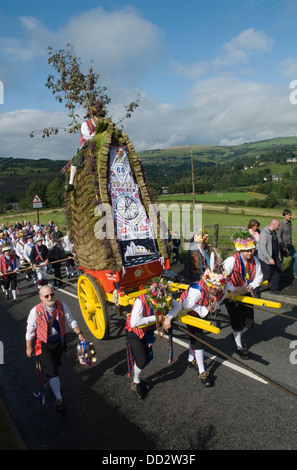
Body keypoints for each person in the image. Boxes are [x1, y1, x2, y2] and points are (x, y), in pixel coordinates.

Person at [25, 285, 85, 410]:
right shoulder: (35, 311)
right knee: (51, 369)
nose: (50, 297)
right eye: (46, 296)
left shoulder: (62, 305)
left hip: (58, 342)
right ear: (41, 298)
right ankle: (59, 398)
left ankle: (55, 383)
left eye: (52, 294)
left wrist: (79, 334)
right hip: (44, 345)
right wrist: (29, 347)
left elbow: (71, 321)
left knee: (55, 366)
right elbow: (30, 331)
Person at [125, 278, 182, 399]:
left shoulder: (164, 295)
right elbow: (135, 323)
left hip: (147, 330)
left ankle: (138, 373)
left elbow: (178, 305)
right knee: (142, 360)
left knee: (147, 358)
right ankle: (136, 382)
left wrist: (169, 317)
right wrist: (158, 318)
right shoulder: (141, 301)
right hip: (134, 331)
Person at [179, 264, 228, 386]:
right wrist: (205, 308)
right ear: (210, 285)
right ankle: (202, 372)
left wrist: (212, 303)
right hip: (188, 312)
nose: (217, 290)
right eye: (216, 288)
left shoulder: (211, 288)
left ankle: (191, 359)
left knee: (194, 337)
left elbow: (222, 293)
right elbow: (187, 305)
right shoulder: (197, 290)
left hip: (200, 309)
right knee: (199, 339)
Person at [223, 230, 263, 359]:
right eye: (247, 250)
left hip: (246, 294)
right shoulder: (231, 261)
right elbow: (220, 278)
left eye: (251, 249)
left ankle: (236, 335)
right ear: (240, 250)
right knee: (237, 323)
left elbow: (259, 277)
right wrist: (234, 288)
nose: (250, 253)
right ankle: (239, 347)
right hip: (231, 297)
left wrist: (252, 285)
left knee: (250, 323)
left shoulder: (255, 260)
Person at [65, 100, 106, 192]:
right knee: (76, 160)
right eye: (99, 116)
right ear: (94, 116)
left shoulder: (101, 125)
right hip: (85, 146)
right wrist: (96, 133)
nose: (100, 119)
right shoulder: (85, 124)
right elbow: (87, 138)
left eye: (101, 117)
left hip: (100, 145)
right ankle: (71, 183)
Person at [258, 219, 283, 295]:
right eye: (278, 225)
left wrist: (279, 256)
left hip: (275, 256)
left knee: (279, 271)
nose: (279, 227)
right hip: (266, 258)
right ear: (273, 224)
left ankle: (274, 289)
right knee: (266, 275)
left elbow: (276, 246)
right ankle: (255, 289)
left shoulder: (274, 233)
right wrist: (269, 258)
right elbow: (263, 248)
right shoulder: (264, 233)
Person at [277, 209, 297, 279]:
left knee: (295, 257)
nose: (290, 217)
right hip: (282, 245)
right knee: (280, 260)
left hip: (289, 244)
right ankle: (278, 274)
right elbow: (279, 236)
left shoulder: (290, 223)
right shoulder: (281, 224)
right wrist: (282, 246)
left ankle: (294, 274)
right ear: (284, 216)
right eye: (288, 215)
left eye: (290, 215)